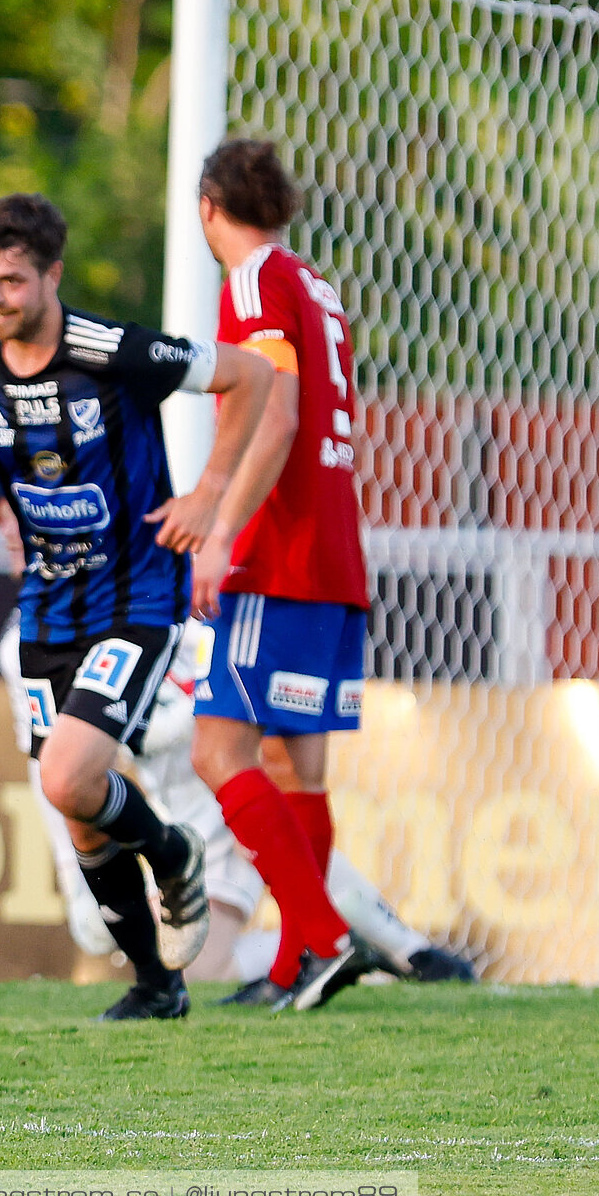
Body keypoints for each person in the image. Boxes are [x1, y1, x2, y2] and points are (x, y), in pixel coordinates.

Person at [0, 193, 276, 1021]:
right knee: (79, 810)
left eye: (12, 280)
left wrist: (209, 492)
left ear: (52, 275)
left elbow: (252, 372)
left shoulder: (113, 350)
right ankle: (156, 985)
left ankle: (173, 849)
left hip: (135, 598)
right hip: (47, 607)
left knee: (67, 774)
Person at [0, 608, 476, 988]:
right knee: (140, 945)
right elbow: (47, 765)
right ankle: (358, 946)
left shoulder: (161, 600)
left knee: (264, 813)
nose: (14, 529)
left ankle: (381, 946)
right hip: (189, 820)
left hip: (221, 802)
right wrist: (75, 873)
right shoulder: (25, 642)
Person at [185, 138, 372, 1012]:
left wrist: (221, 527)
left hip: (279, 553)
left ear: (207, 206)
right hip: (335, 552)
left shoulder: (256, 279)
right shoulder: (315, 285)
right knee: (299, 766)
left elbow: (279, 408)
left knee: (217, 750)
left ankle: (324, 934)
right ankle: (302, 956)